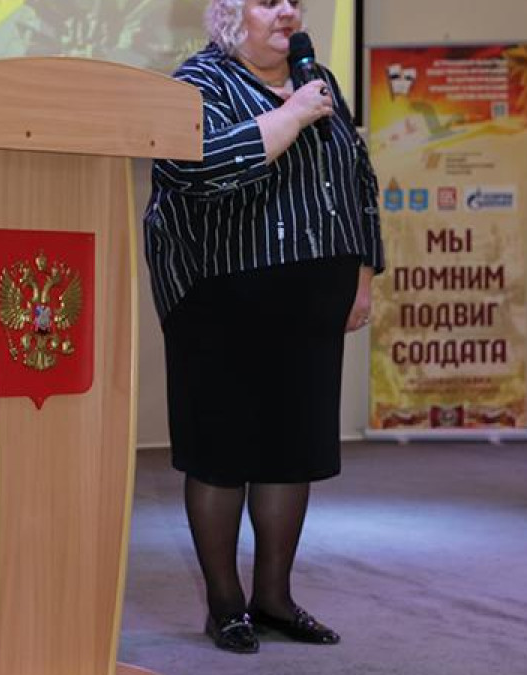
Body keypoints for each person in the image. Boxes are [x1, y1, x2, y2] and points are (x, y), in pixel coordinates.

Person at [143, 0, 384, 655]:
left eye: (293, 2)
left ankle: (274, 598)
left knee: (290, 449)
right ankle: (226, 606)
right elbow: (198, 167)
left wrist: (363, 272)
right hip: (219, 298)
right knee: (221, 454)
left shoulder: (318, 79)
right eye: (267, 1)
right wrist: (292, 115)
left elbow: (357, 177)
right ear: (229, 15)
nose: (287, 12)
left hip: (310, 297)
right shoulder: (198, 81)